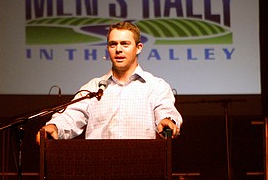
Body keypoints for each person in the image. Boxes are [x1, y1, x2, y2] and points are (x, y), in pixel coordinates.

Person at [37, 21, 182, 143]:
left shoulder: (156, 86)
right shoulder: (92, 88)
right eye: (113, 44)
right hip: (99, 166)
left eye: (125, 44)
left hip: (141, 164)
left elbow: (166, 112)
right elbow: (71, 116)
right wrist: (55, 126)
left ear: (138, 48)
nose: (118, 49)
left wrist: (168, 121)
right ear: (108, 48)